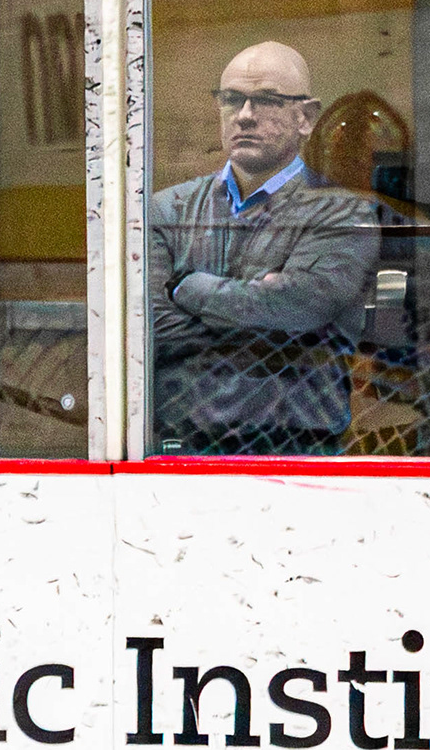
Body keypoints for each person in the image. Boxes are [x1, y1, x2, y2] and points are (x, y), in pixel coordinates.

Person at [146, 41, 378, 456]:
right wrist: (265, 321)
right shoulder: (166, 209)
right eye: (232, 99)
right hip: (181, 449)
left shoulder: (344, 213)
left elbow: (301, 306)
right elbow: (151, 326)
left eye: (267, 100)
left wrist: (189, 288)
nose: (245, 115)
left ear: (306, 117)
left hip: (299, 450)